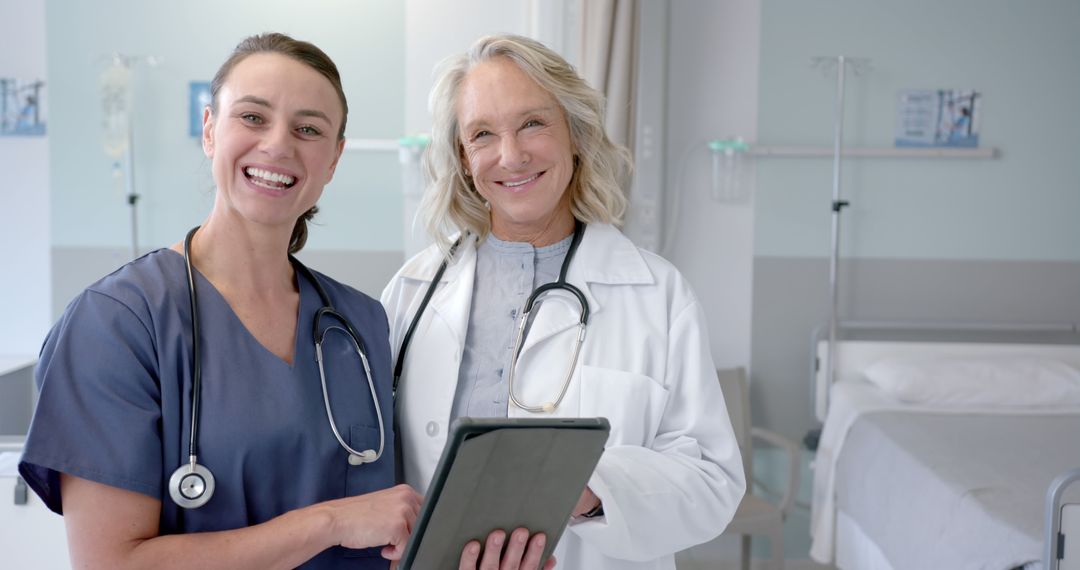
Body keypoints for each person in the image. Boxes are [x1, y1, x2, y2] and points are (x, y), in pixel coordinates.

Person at [17, 33, 424, 569]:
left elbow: (393, 521)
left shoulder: (357, 321)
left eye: (308, 129)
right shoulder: (118, 323)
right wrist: (331, 522)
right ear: (211, 131)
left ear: (334, 159)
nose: (279, 145)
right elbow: (111, 564)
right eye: (253, 117)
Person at [381, 34, 746, 570]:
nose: (511, 155)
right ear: (463, 158)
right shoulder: (413, 291)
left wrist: (589, 491)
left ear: (575, 135)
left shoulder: (657, 294)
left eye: (533, 123)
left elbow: (713, 481)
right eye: (483, 134)